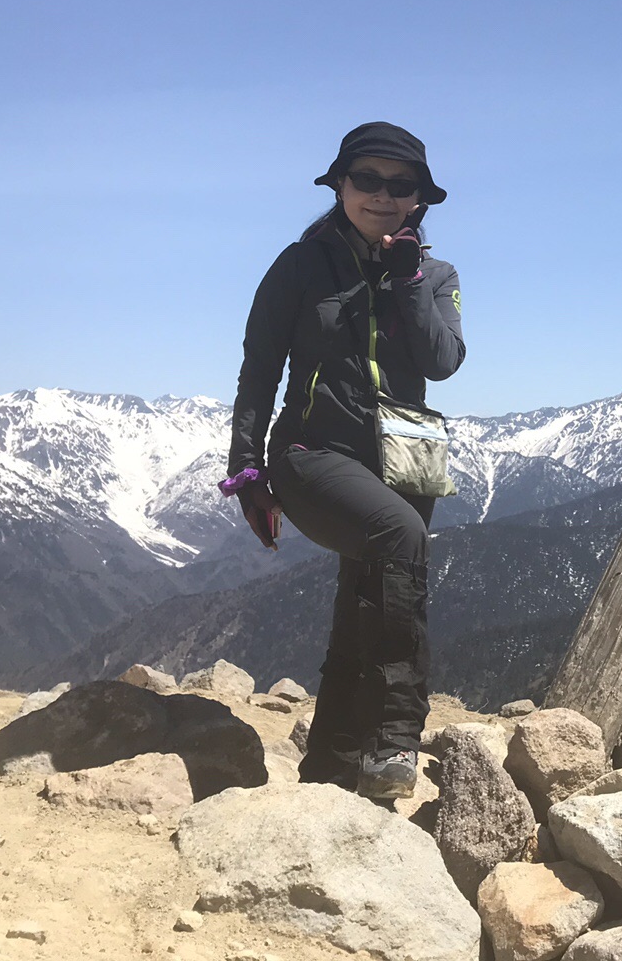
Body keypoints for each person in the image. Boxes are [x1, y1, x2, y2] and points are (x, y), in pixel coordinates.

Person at [224, 121, 464, 799]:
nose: (384, 196)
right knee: (397, 536)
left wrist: (408, 278)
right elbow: (259, 369)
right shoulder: (301, 266)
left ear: (420, 198)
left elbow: (442, 362)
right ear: (339, 184)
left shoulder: (435, 276)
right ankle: (395, 734)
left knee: (362, 606)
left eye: (402, 186)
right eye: (368, 180)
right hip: (312, 452)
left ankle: (329, 767)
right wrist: (248, 473)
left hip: (404, 461)